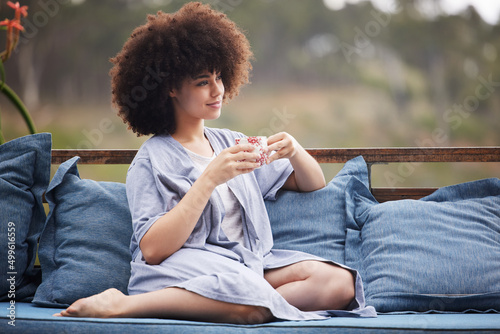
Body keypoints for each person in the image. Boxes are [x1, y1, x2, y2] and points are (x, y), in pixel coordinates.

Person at [55, 2, 375, 323]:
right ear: (170, 88)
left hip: (248, 266)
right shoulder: (150, 159)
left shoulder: (232, 143)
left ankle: (248, 303)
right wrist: (209, 179)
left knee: (340, 282)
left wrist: (295, 151)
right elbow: (152, 249)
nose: (217, 89)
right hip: (188, 269)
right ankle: (125, 305)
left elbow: (312, 182)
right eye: (202, 81)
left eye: (219, 76)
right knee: (246, 301)